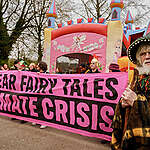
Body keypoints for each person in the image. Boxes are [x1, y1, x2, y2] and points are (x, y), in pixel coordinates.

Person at [111, 33, 150, 150]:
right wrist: (122, 105)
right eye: (143, 54)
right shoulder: (136, 79)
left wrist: (137, 102)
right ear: (139, 58)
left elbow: (136, 102)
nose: (147, 56)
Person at [32, 61, 48, 129]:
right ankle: (37, 119)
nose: (37, 67)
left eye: (38, 66)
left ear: (41, 67)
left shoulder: (47, 74)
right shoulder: (36, 73)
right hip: (37, 92)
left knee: (43, 107)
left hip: (44, 93)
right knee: (37, 106)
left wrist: (41, 76)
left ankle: (44, 122)